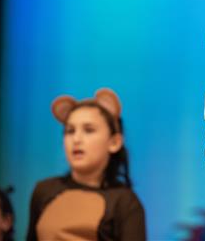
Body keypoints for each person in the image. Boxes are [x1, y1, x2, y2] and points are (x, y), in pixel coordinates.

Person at [26, 88, 145, 241]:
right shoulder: (44, 190)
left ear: (114, 142)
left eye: (89, 130)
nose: (76, 139)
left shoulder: (125, 202)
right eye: (70, 131)